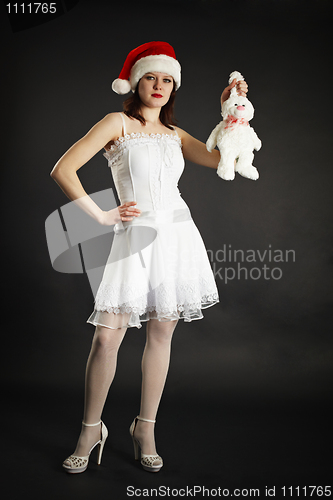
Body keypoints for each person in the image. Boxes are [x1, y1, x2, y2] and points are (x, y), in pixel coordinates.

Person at [50, 41, 248, 474]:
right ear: (136, 82)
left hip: (177, 237)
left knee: (161, 335)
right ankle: (90, 430)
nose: (158, 86)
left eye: (166, 79)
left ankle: (146, 428)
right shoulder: (116, 123)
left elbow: (220, 160)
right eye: (151, 77)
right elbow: (63, 169)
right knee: (107, 337)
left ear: (173, 87)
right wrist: (100, 215)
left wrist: (232, 107)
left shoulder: (175, 135)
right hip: (134, 237)